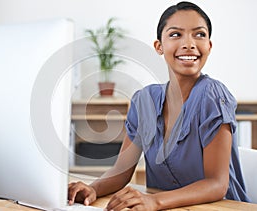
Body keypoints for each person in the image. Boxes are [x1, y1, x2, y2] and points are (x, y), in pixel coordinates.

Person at [68, 1, 250, 210]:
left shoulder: (212, 96)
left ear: (209, 46)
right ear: (159, 46)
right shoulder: (144, 101)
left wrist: (154, 201)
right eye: (175, 34)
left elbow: (217, 185)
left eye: (199, 34)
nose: (189, 43)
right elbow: (122, 171)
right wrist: (93, 189)